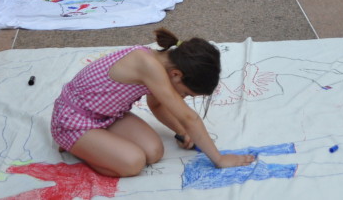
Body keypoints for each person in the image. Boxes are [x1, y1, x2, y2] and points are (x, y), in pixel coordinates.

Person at [51, 27, 255, 177]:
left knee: (153, 152)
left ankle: (96, 144)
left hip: (107, 115)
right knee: (132, 164)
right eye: (186, 93)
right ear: (176, 75)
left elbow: (156, 105)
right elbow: (188, 117)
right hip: (73, 120)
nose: (182, 99)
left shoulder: (163, 61)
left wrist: (181, 131)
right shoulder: (148, 66)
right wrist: (219, 159)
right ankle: (71, 146)